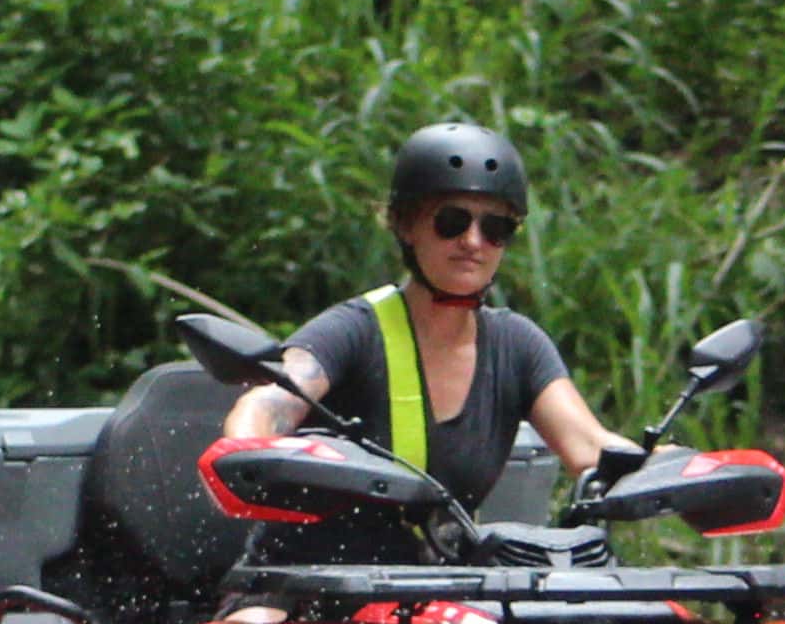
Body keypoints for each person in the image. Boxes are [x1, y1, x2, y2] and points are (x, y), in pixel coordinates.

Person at [225, 121, 638, 507]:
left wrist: (673, 469)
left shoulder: (517, 345)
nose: (473, 241)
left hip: (443, 578)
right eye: (451, 221)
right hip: (315, 579)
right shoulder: (352, 330)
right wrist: (246, 448)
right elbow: (270, 402)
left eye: (496, 228)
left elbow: (589, 445)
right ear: (406, 225)